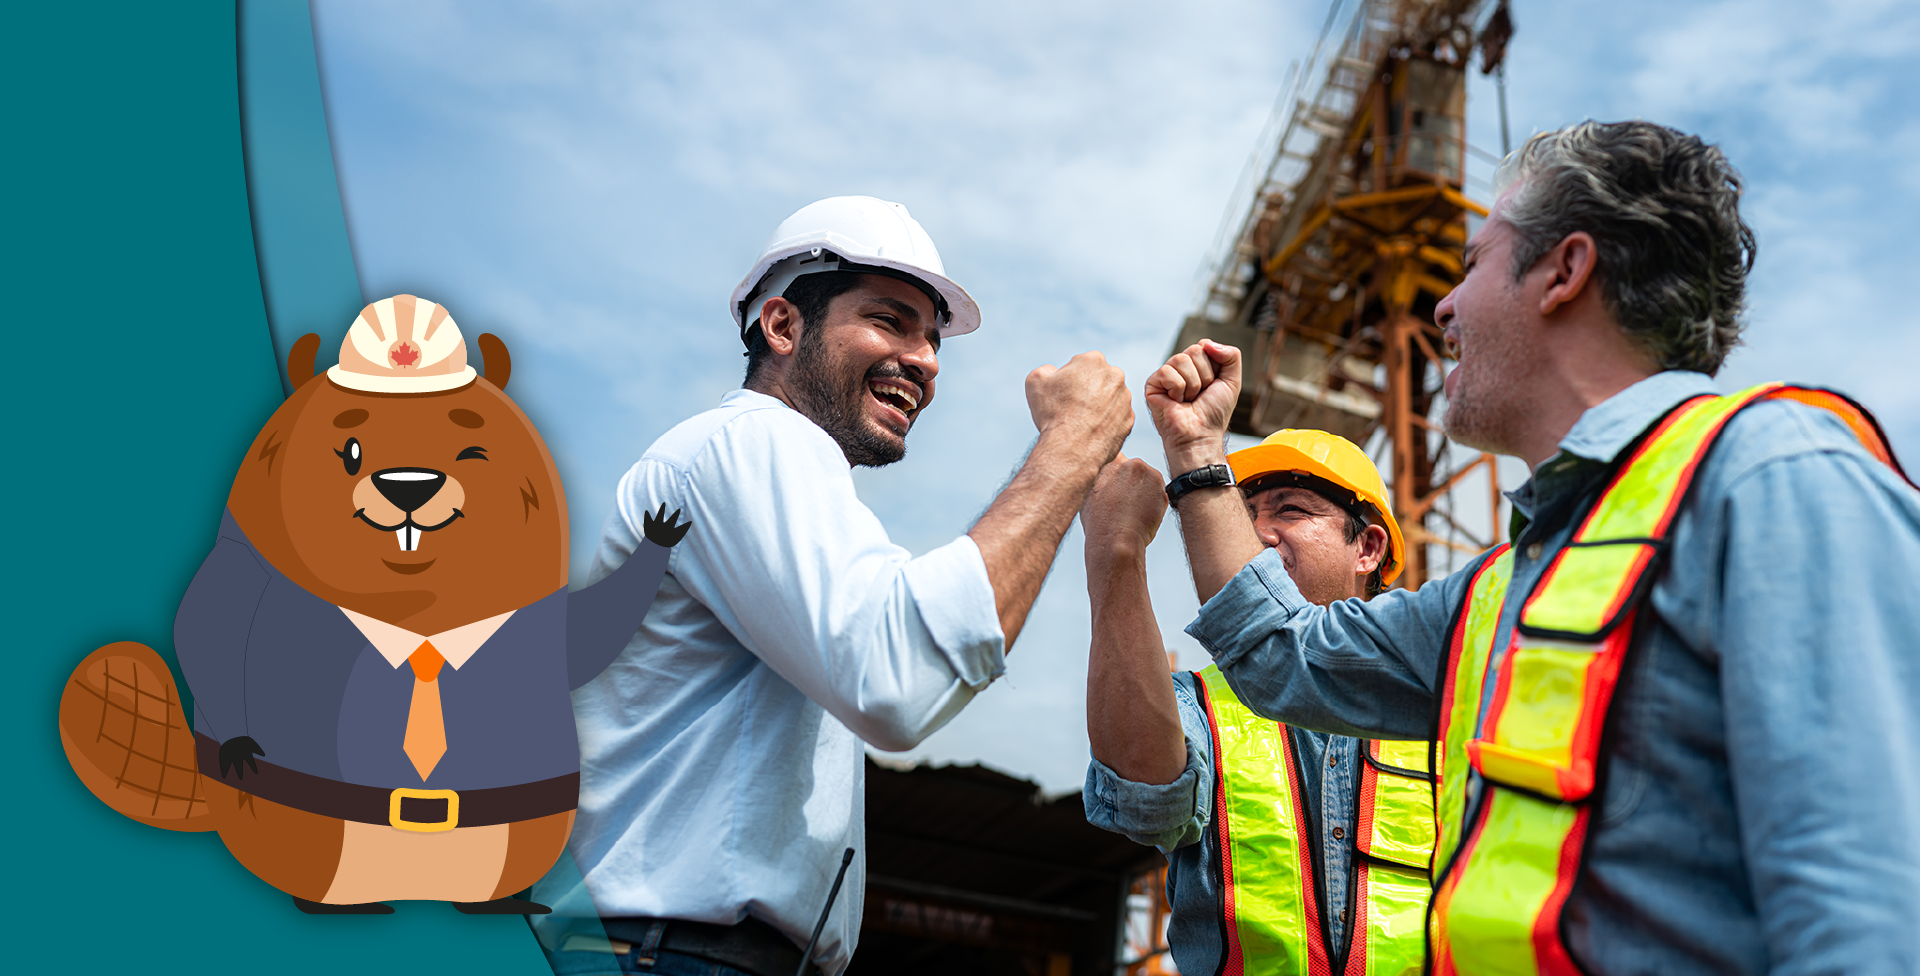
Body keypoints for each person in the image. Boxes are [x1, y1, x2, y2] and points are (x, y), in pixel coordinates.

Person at [1142, 121, 1920, 973]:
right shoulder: (1499, 592)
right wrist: (1195, 459)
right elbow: (1280, 656)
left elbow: (1866, 913)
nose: (1442, 305)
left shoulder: (1775, 483)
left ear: (1565, 272)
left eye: (1473, 265)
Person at [556, 196, 1134, 976]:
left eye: (932, 339)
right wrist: (1075, 442)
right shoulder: (753, 441)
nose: (926, 358)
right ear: (783, 326)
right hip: (672, 952)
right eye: (890, 320)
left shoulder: (766, 472)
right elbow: (897, 677)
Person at [1080, 429, 1434, 975]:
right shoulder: (1198, 702)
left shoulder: (1444, 689)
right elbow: (1145, 803)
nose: (1260, 534)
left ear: (1367, 549)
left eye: (1291, 510)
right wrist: (1116, 550)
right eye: (1245, 517)